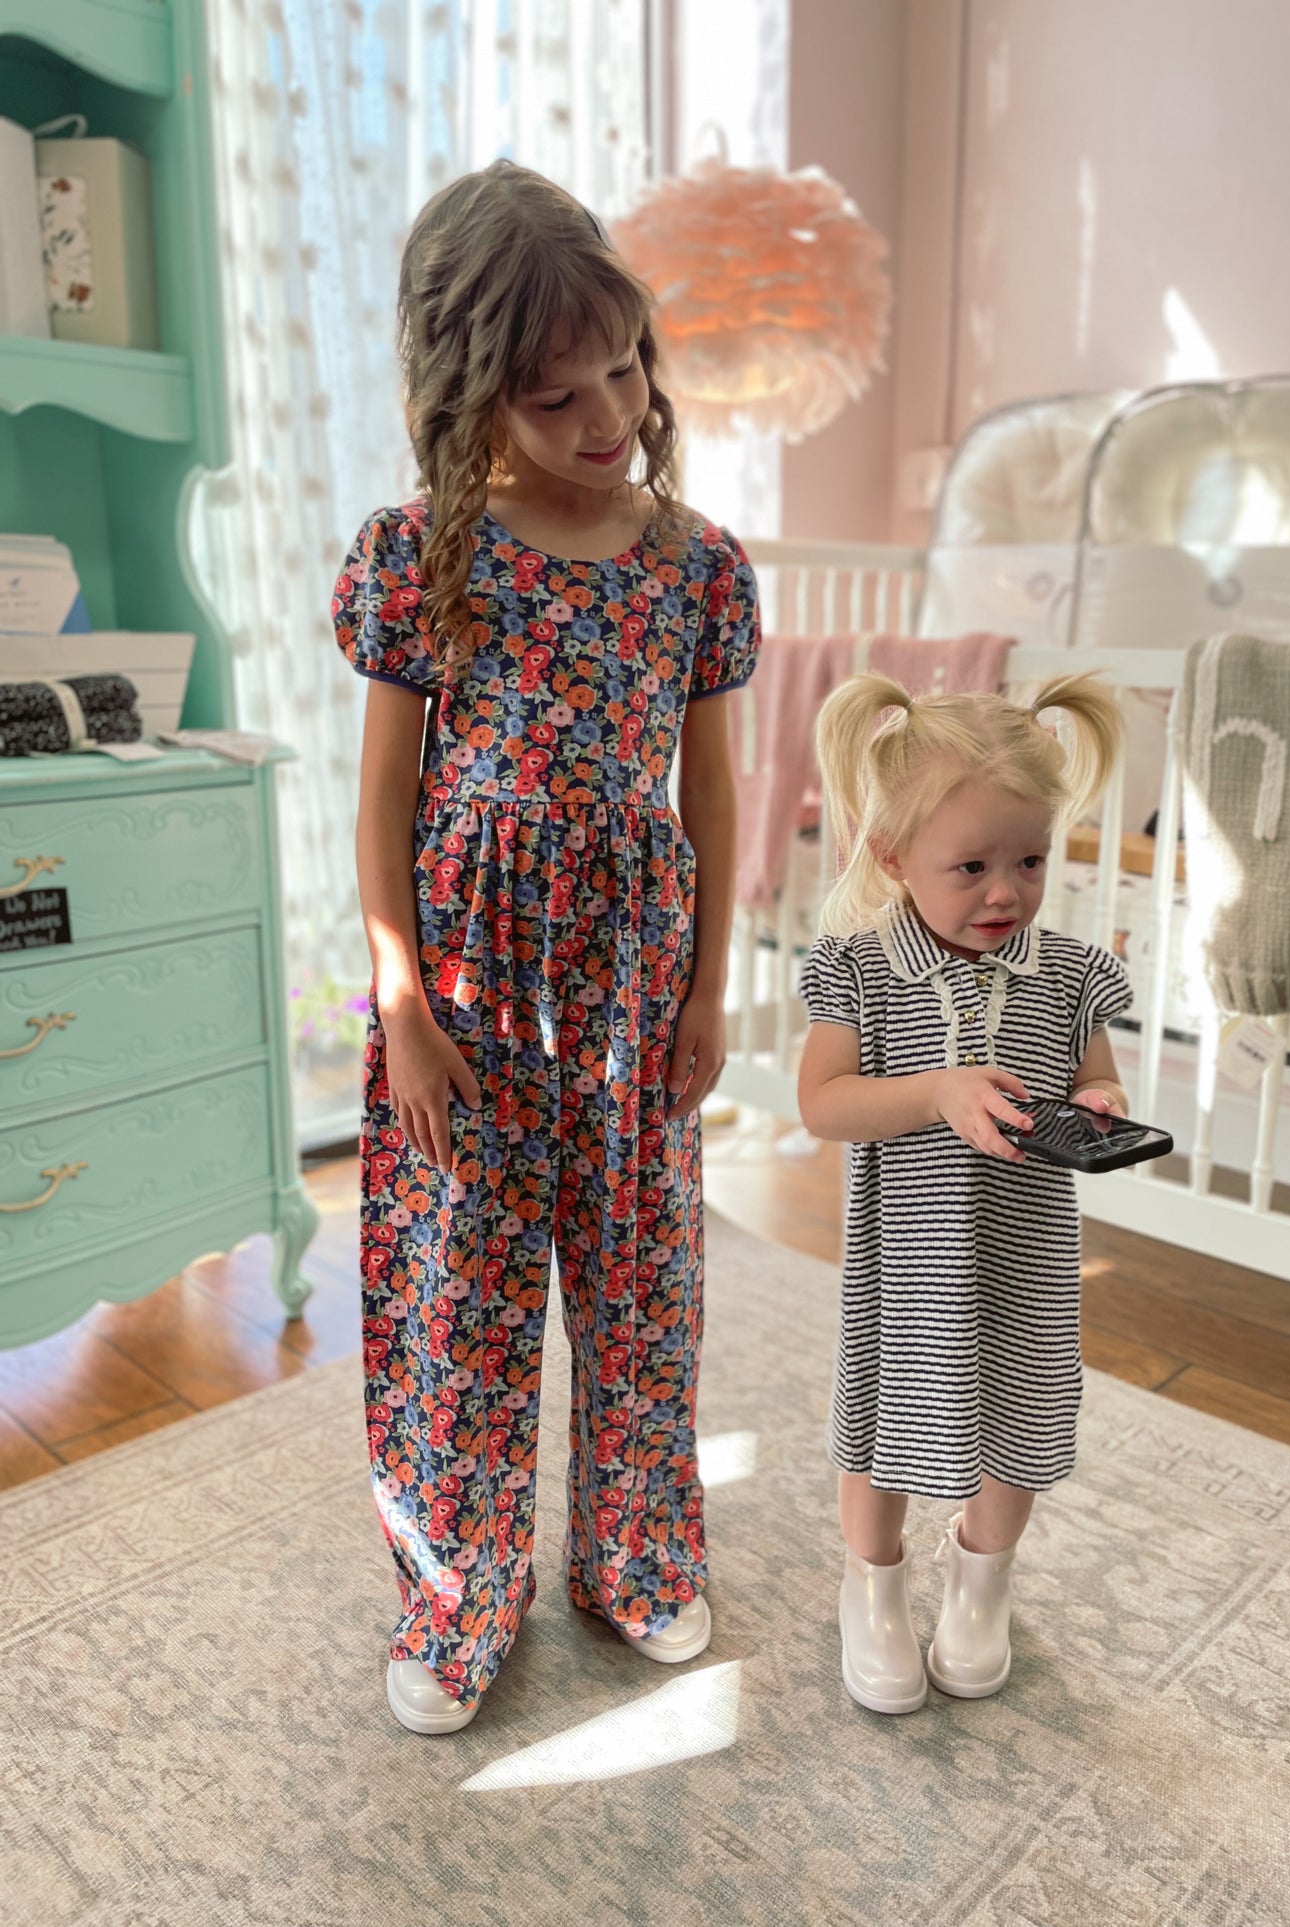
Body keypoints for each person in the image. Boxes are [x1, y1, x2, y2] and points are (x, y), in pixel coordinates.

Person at [332, 160, 759, 1735]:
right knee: (464, 1291)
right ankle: (457, 1592)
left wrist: (714, 982)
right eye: (551, 390)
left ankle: (636, 1553)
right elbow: (385, 801)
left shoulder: (696, 564)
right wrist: (403, 1004)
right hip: (464, 979)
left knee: (643, 1276)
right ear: (466, 399)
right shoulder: (419, 554)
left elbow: (711, 789)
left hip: (636, 968)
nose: (606, 413)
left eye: (624, 366)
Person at [795, 671, 1129, 1715]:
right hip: (910, 1256)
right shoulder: (856, 970)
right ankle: (874, 1584)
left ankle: (980, 1580)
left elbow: (1095, 1072)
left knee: (1021, 1411)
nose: (1005, 891)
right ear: (892, 859)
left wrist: (1103, 1097)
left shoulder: (1068, 972)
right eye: (971, 866)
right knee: (887, 1420)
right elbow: (822, 1103)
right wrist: (935, 1089)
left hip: (1024, 1249)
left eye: (1029, 860)